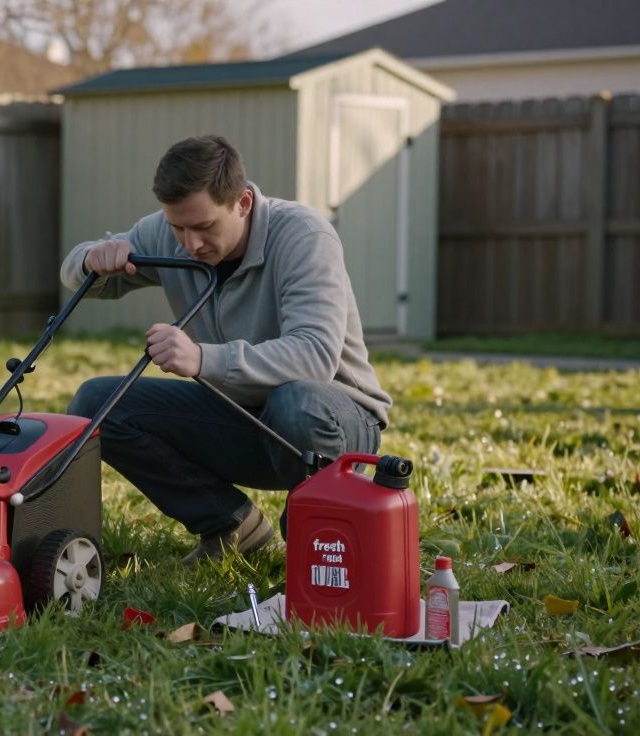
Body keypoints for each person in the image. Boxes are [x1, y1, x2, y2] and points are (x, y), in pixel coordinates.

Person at [60, 134, 392, 566]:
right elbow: (80, 275)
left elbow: (315, 356)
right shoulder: (167, 233)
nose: (190, 244)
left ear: (243, 203)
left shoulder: (304, 236)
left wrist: (203, 359)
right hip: (240, 417)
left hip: (333, 421)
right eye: (178, 228)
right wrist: (92, 259)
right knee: (97, 403)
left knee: (295, 400)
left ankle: (316, 542)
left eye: (204, 227)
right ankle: (231, 525)